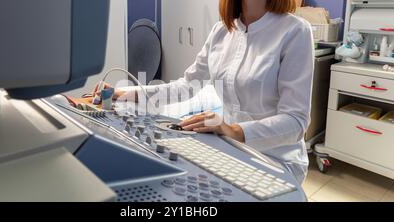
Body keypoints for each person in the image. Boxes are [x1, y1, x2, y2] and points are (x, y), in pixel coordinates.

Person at [90, 0, 314, 183]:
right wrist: (126, 93)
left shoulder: (295, 31)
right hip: (232, 150)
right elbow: (186, 86)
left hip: (277, 160)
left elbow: (295, 121)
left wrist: (233, 130)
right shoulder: (221, 31)